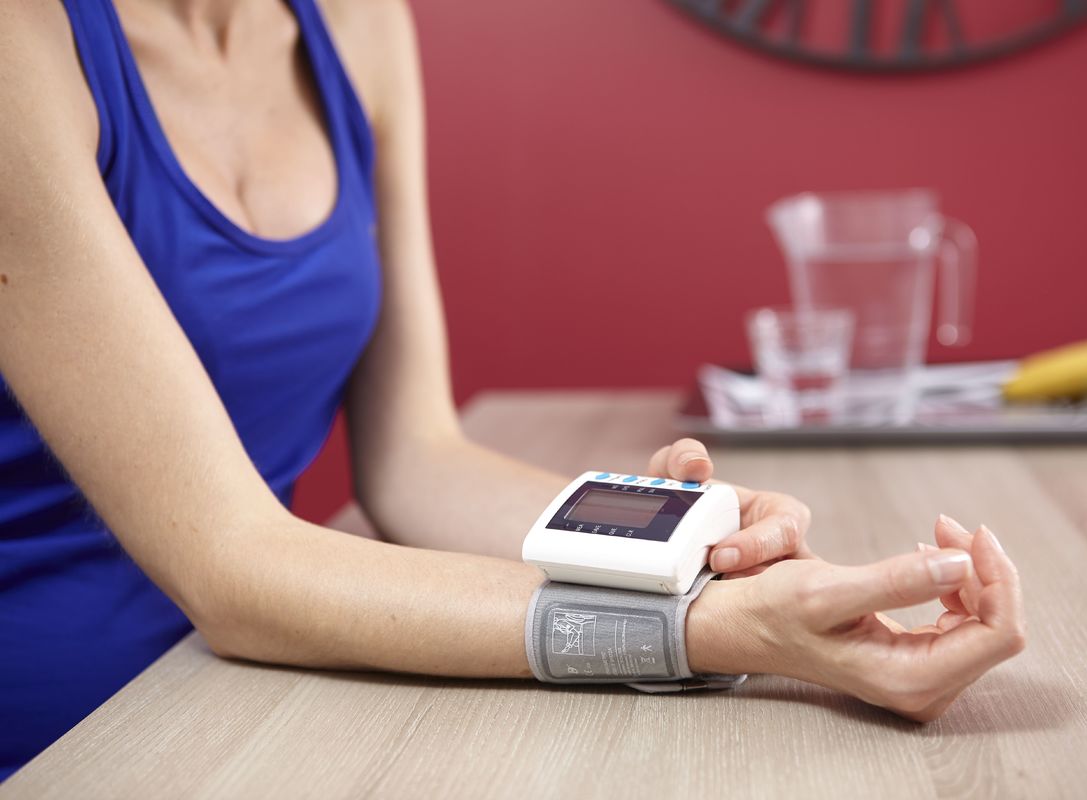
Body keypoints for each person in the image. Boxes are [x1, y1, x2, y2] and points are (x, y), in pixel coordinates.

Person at [0, 0, 1025, 780]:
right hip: (72, 731)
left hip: (256, 684)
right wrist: (700, 631)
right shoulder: (23, 46)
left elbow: (414, 459)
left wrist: (683, 554)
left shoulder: (355, 26)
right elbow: (230, 562)